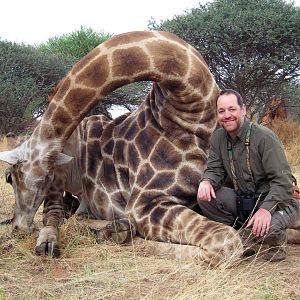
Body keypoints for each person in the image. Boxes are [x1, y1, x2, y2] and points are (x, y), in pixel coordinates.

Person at [197, 89, 300, 262]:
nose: (227, 115)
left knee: (268, 228)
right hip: (245, 201)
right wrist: (206, 181)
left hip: (278, 202)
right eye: (221, 111)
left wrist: (265, 210)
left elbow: (283, 181)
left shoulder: (265, 137)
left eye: (232, 109)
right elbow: (215, 169)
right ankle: (243, 234)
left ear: (243, 110)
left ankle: (277, 239)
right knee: (205, 198)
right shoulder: (218, 138)